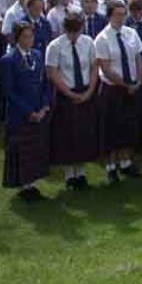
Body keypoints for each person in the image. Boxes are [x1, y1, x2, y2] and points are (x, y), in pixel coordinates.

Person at [45, 11, 99, 191]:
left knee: (84, 133)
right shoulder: (55, 46)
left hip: (85, 91)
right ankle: (70, 175)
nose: (74, 36)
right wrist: (69, 93)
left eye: (77, 31)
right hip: (65, 94)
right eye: (71, 32)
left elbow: (93, 67)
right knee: (67, 135)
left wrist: (89, 91)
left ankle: (81, 172)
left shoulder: (88, 42)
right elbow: (53, 73)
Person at [0, 22, 52, 202]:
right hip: (20, 115)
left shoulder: (38, 55)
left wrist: (45, 105)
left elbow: (45, 83)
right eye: (25, 36)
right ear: (17, 38)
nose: (29, 40)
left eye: (31, 36)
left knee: (35, 149)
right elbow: (9, 91)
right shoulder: (8, 60)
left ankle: (32, 183)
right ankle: (23, 185)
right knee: (21, 150)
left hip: (39, 111)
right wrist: (28, 111)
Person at [94, 0, 142, 184]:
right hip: (113, 89)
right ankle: (111, 167)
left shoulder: (131, 33)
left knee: (128, 127)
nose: (121, 18)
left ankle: (125, 163)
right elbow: (106, 68)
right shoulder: (102, 38)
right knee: (111, 128)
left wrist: (138, 79)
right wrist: (125, 84)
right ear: (109, 16)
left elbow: (138, 56)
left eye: (123, 14)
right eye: (117, 14)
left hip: (131, 87)